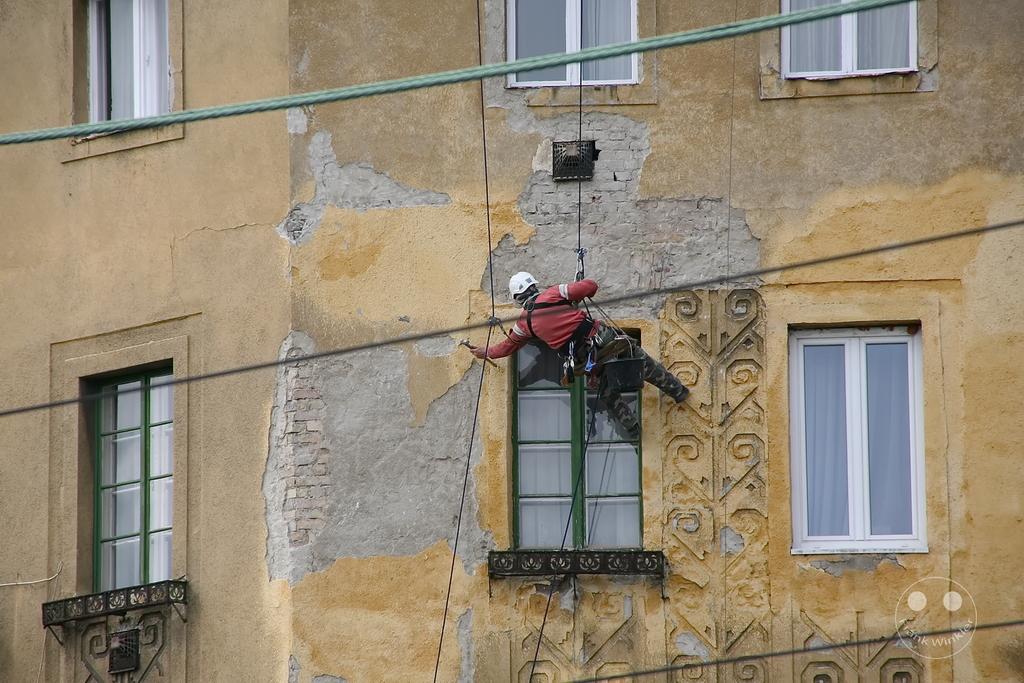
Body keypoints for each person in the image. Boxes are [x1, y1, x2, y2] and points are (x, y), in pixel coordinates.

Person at [469, 272, 689, 438]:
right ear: (534, 286)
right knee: (641, 361)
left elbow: (506, 347)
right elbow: (591, 286)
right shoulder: (554, 293)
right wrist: (574, 292)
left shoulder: (524, 323)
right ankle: (678, 391)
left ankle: (632, 430)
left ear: (518, 299)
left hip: (586, 360)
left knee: (608, 392)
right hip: (603, 340)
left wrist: (484, 352)